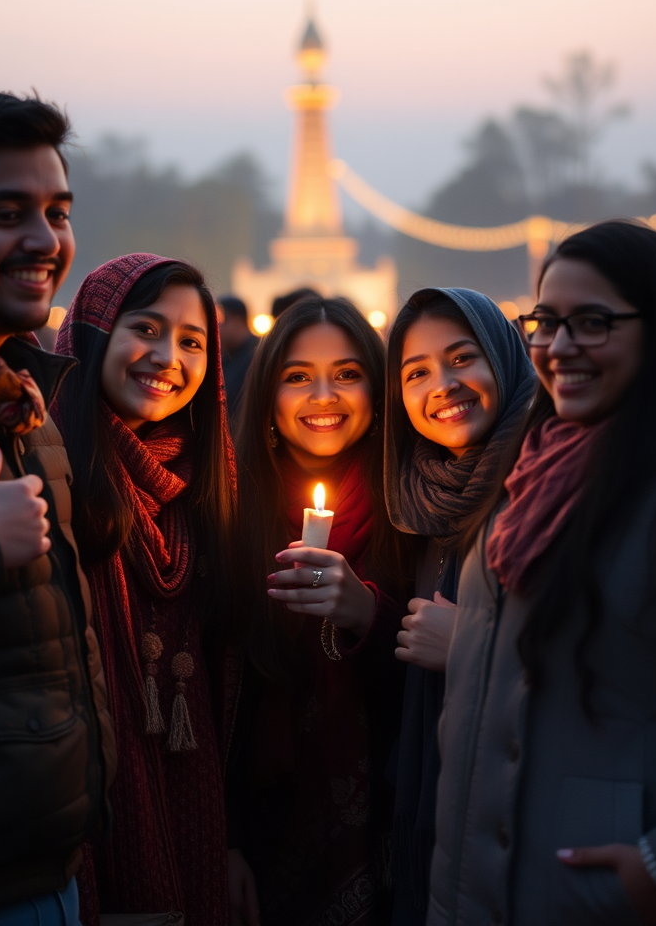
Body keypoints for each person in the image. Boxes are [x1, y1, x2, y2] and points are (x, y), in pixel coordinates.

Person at [428, 221, 656, 926]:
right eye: (545, 322)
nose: (559, 347)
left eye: (593, 323)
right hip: (479, 883)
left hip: (593, 891)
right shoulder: (535, 466)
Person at [0, 89, 115, 924]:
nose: (45, 241)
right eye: (7, 214)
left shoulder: (20, 399)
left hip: (39, 863)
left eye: (58, 212)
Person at [53, 254, 239, 925]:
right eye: (147, 329)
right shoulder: (45, 473)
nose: (168, 357)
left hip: (195, 809)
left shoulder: (208, 491)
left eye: (192, 342)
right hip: (75, 822)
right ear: (95, 333)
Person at [231, 297, 413, 926]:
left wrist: (368, 613)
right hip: (259, 828)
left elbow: (447, 691)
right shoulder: (225, 511)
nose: (324, 395)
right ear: (268, 396)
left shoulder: (419, 515)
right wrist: (223, 842)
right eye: (299, 376)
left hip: (387, 828)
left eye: (348, 373)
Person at [383, 288, 535, 925]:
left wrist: (470, 647)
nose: (443, 385)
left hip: (526, 827)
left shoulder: (545, 483)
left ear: (503, 358)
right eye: (417, 372)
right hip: (443, 815)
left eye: (462, 358)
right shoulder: (420, 497)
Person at [218, 294, 258, 418]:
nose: (216, 327)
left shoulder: (259, 356)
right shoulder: (223, 355)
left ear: (238, 320)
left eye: (221, 321)